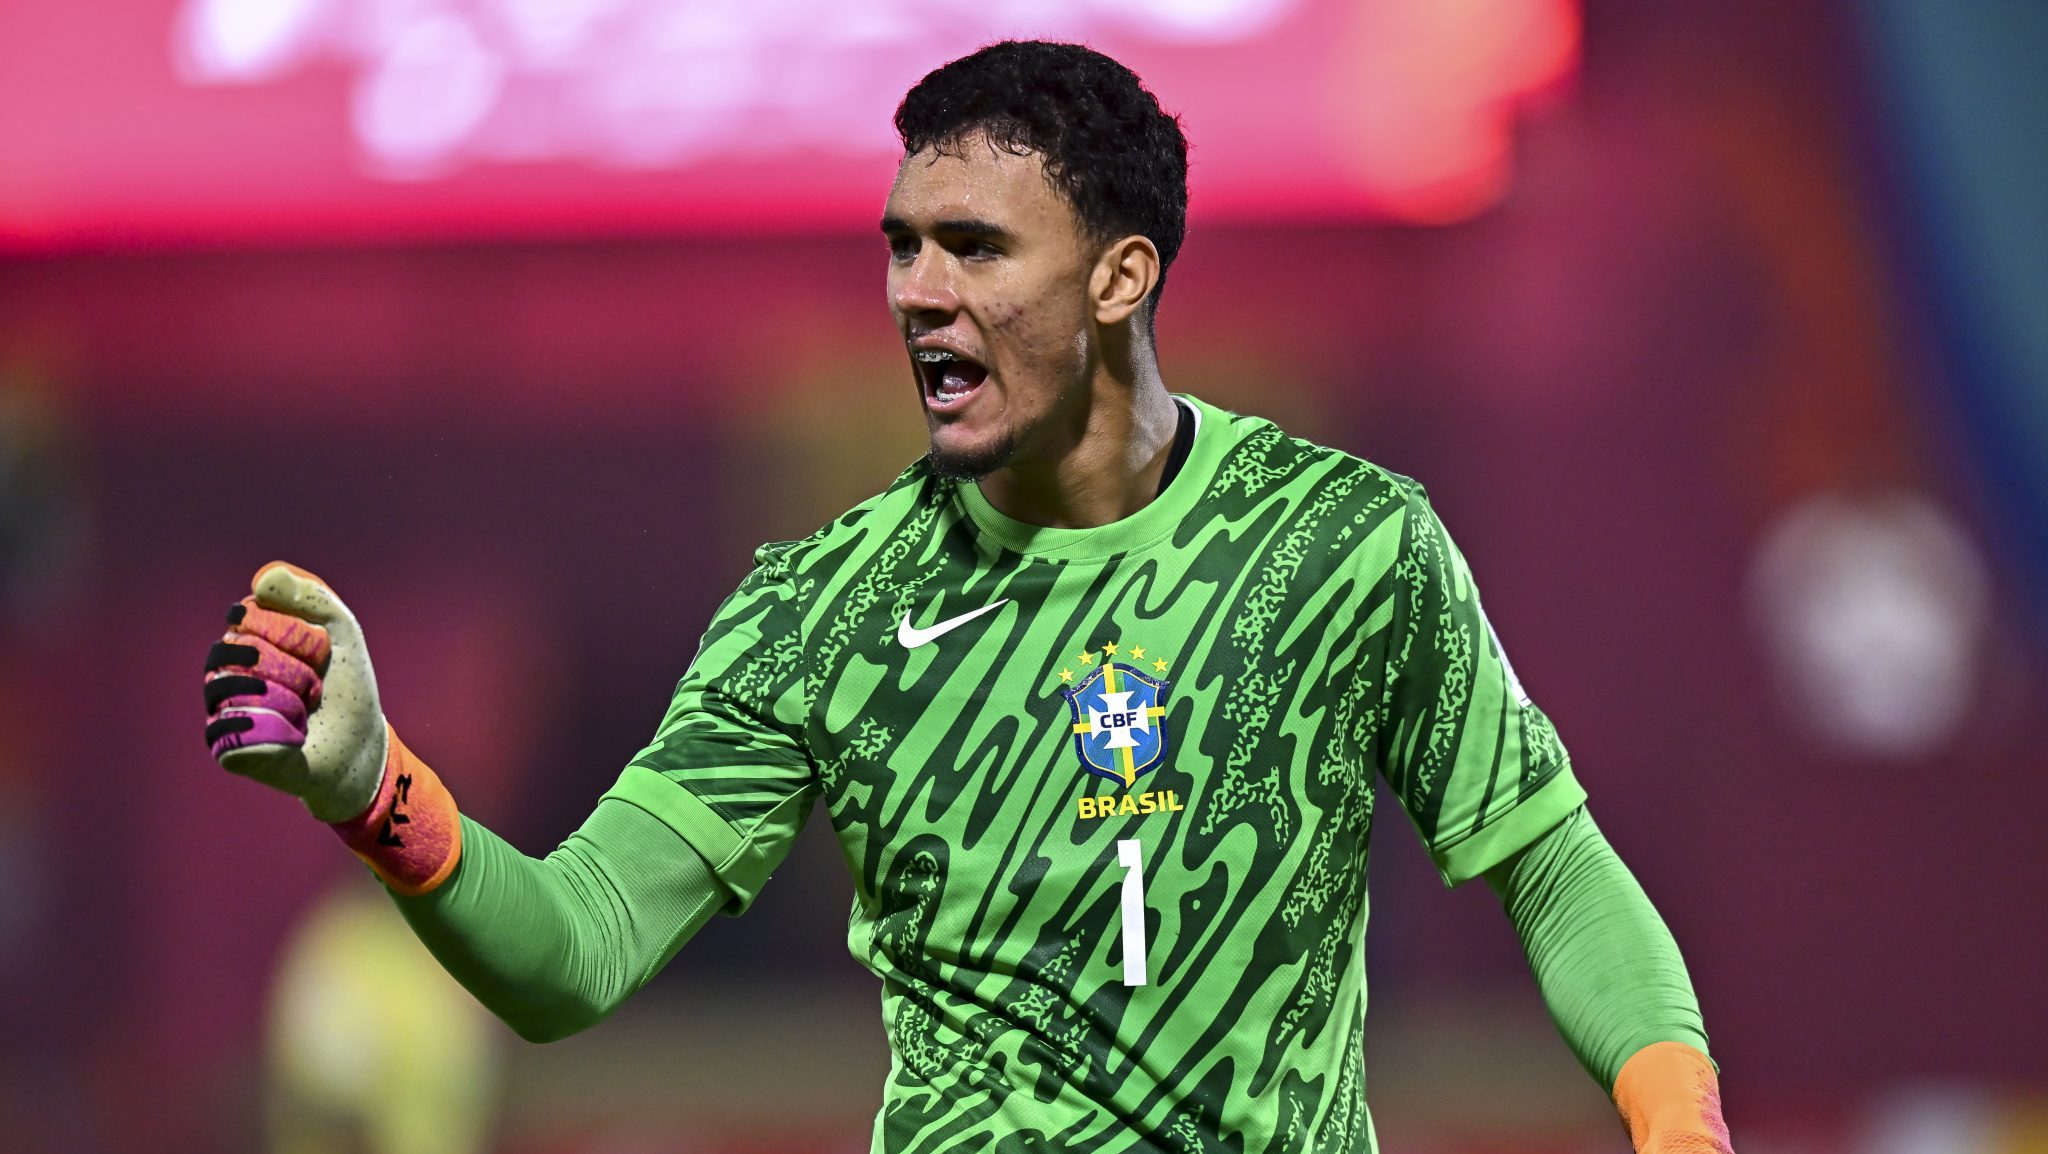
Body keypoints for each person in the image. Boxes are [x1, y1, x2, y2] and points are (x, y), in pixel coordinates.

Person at [201, 40, 1733, 1154]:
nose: (917, 292)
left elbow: (1552, 867)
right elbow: (574, 947)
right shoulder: (824, 606)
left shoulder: (1345, 544)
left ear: (1124, 277)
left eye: (975, 247)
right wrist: (373, 788)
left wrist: (1679, 1123)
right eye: (903, 246)